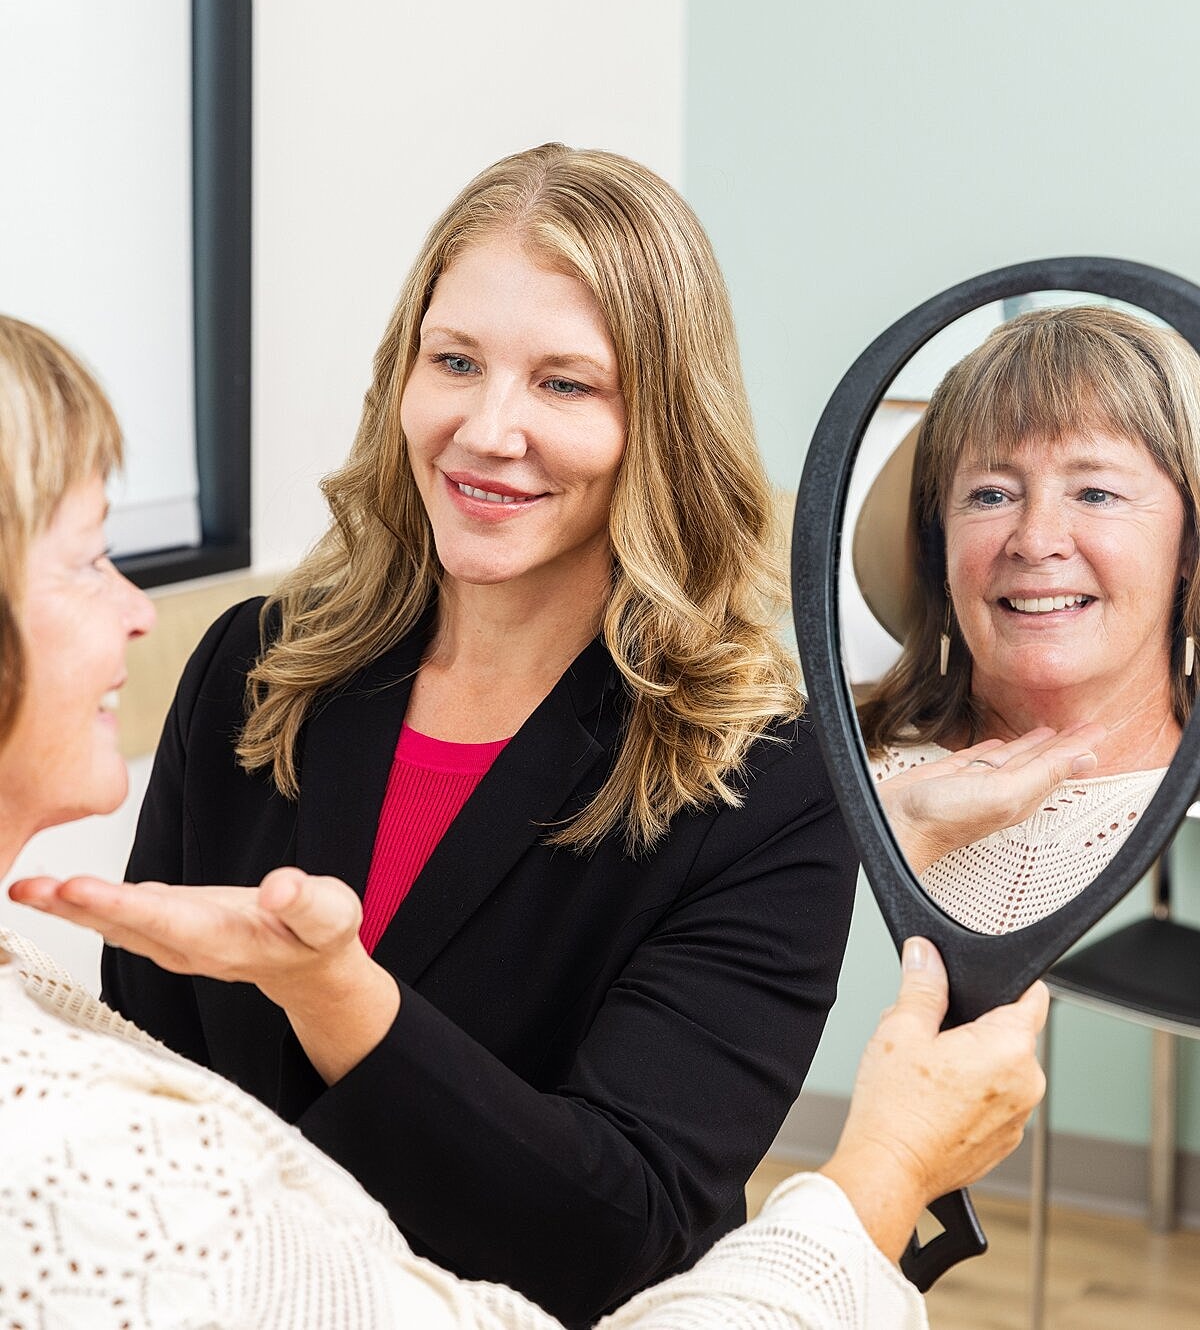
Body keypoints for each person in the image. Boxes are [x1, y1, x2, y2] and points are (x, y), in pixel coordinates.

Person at [0, 319, 1051, 1330]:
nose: (492, 425)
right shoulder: (254, 666)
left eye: (565, 382)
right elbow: (166, 1081)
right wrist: (885, 1169)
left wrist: (337, 996)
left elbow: (630, 1231)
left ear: (665, 426)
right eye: (455, 359)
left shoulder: (765, 778)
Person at [856, 305, 1200, 933]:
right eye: (992, 495)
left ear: (1189, 548)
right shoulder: (815, 770)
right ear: (939, 547)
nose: (1036, 541)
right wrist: (902, 831)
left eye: (1096, 493)